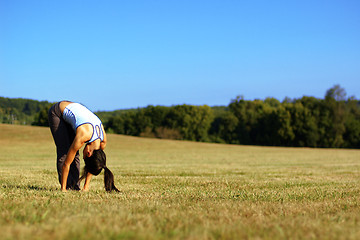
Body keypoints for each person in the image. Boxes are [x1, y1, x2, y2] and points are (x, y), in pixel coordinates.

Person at [48, 101, 119, 192]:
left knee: (75, 154)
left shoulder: (102, 142)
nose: (83, 156)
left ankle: (75, 186)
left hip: (74, 112)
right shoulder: (84, 135)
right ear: (89, 153)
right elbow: (66, 163)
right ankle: (68, 186)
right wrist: (63, 189)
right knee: (65, 153)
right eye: (84, 158)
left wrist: (86, 187)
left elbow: (93, 163)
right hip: (58, 112)